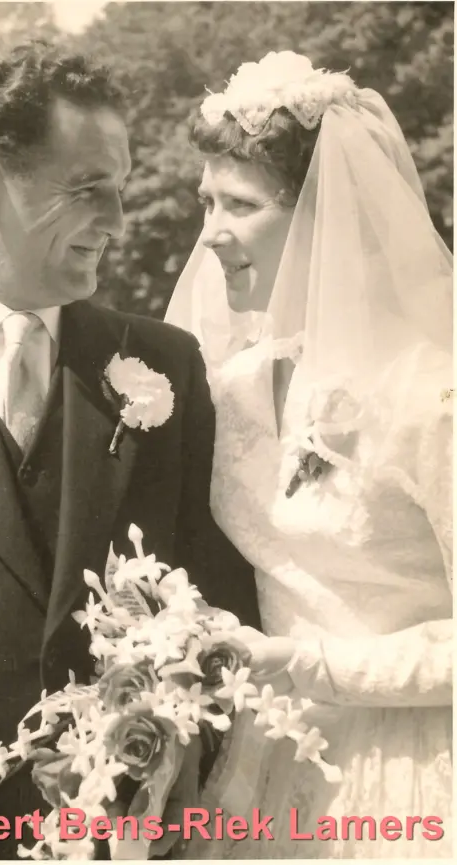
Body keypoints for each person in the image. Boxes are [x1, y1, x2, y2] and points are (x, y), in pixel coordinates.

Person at [0, 40, 261, 862]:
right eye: (86, 189)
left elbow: (222, 606)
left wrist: (171, 771)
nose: (117, 222)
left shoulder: (167, 366)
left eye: (121, 189)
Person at [166, 50, 453, 858]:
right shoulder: (231, 385)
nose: (210, 235)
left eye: (240, 205)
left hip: (410, 768)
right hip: (264, 764)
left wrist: (313, 664)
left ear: (326, 220)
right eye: (206, 203)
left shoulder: (433, 398)